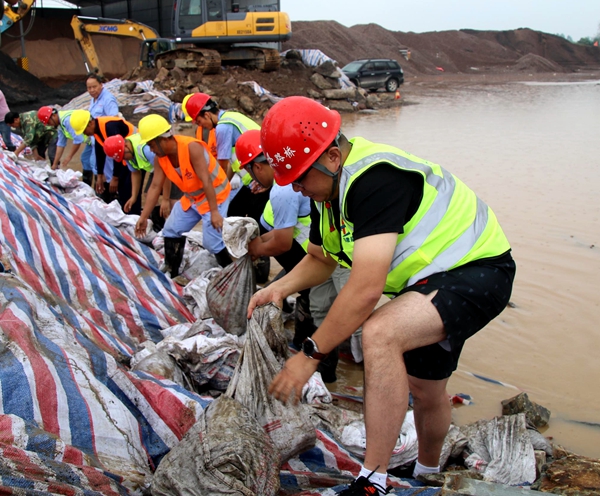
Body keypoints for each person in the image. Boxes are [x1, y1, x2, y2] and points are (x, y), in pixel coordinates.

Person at [248, 96, 516, 494]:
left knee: (380, 332)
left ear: (333, 157)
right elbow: (322, 259)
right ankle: (426, 474)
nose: (298, 189)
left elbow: (366, 288)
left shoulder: (375, 179)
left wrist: (310, 354)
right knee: (426, 391)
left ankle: (373, 480)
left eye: (301, 178)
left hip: (479, 269)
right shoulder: (327, 194)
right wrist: (277, 287)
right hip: (426, 283)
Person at [238, 128, 342, 382]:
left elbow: (282, 243)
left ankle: (325, 375)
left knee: (326, 311)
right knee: (309, 302)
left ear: (258, 167)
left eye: (249, 170)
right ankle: (310, 352)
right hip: (317, 255)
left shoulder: (283, 191)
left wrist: (255, 249)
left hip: (324, 258)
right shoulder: (282, 188)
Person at [134, 114, 233, 274]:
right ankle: (171, 268)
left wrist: (214, 212)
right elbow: (155, 186)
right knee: (171, 229)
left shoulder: (191, 148)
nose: (151, 149)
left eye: (152, 144)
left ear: (163, 139)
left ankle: (231, 273)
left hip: (214, 195)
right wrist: (144, 217)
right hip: (192, 197)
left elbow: (206, 180)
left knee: (212, 242)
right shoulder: (161, 158)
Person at [184, 92, 271, 224]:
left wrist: (214, 193)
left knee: (243, 215)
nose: (201, 126)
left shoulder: (223, 128)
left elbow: (222, 166)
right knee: (236, 211)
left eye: (200, 122)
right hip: (261, 173)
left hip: (260, 177)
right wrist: (226, 185)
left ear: (207, 114)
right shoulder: (232, 116)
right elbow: (231, 164)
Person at [73, 109, 137, 212]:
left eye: (84, 130)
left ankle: (133, 215)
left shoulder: (109, 127)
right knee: (123, 190)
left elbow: (118, 153)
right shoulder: (97, 130)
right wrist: (100, 175)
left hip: (134, 153)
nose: (85, 134)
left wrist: (115, 177)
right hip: (125, 154)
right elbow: (100, 152)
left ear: (90, 123)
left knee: (128, 189)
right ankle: (126, 211)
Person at [81, 73, 119, 187]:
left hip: (105, 142)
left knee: (108, 171)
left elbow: (114, 120)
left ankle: (110, 192)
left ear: (101, 85)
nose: (92, 90)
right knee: (94, 165)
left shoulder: (108, 99)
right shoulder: (94, 99)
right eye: (89, 88)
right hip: (95, 141)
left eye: (94, 87)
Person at [103, 133, 155, 214]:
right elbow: (135, 173)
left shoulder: (146, 150)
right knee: (149, 194)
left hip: (170, 167)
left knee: (171, 198)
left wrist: (165, 199)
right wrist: (133, 197)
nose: (124, 159)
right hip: (156, 169)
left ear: (126, 146)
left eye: (123, 156)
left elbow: (164, 171)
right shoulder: (127, 152)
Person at [37, 106, 85, 171]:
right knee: (86, 160)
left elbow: (78, 140)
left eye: (49, 122)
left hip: (95, 137)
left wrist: (69, 157)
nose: (50, 125)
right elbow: (60, 144)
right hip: (90, 141)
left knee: (93, 162)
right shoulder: (60, 125)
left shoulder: (66, 120)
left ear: (53, 116)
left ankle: (99, 180)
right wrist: (54, 164)